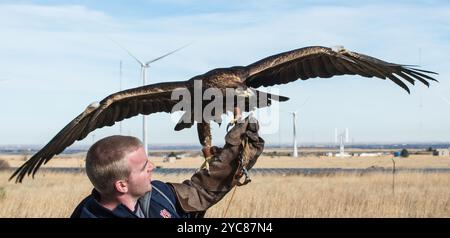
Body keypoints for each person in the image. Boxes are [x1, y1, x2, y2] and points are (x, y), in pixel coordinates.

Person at [70, 116, 264, 218]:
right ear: (122, 186)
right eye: (144, 167)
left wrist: (236, 153)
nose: (152, 167)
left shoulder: (158, 194)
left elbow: (201, 191)